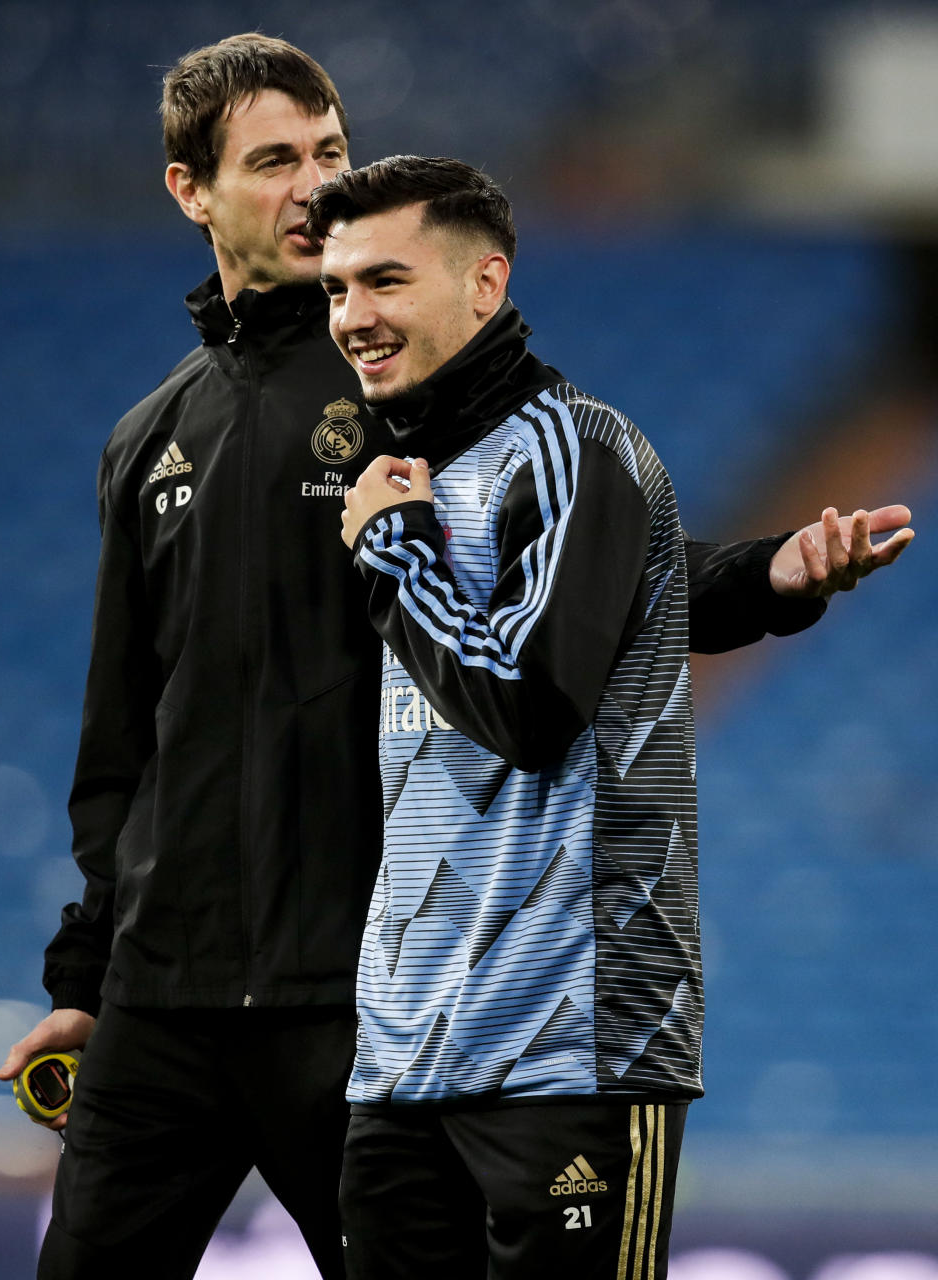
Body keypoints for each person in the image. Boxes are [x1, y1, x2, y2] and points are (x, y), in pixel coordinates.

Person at [0, 33, 912, 1280]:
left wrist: (767, 576)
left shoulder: (414, 384)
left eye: (330, 152)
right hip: (170, 993)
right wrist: (86, 972)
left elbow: (589, 585)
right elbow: (123, 739)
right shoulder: (150, 437)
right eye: (275, 160)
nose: (315, 185)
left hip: (360, 993)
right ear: (189, 190)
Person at [306, 155, 913, 1280]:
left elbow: (531, 708)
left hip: (569, 1043)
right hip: (406, 1053)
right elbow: (627, 591)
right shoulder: (419, 471)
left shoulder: (569, 450)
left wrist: (390, 553)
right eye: (338, 287)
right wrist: (763, 574)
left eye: (384, 280)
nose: (353, 315)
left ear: (484, 284)